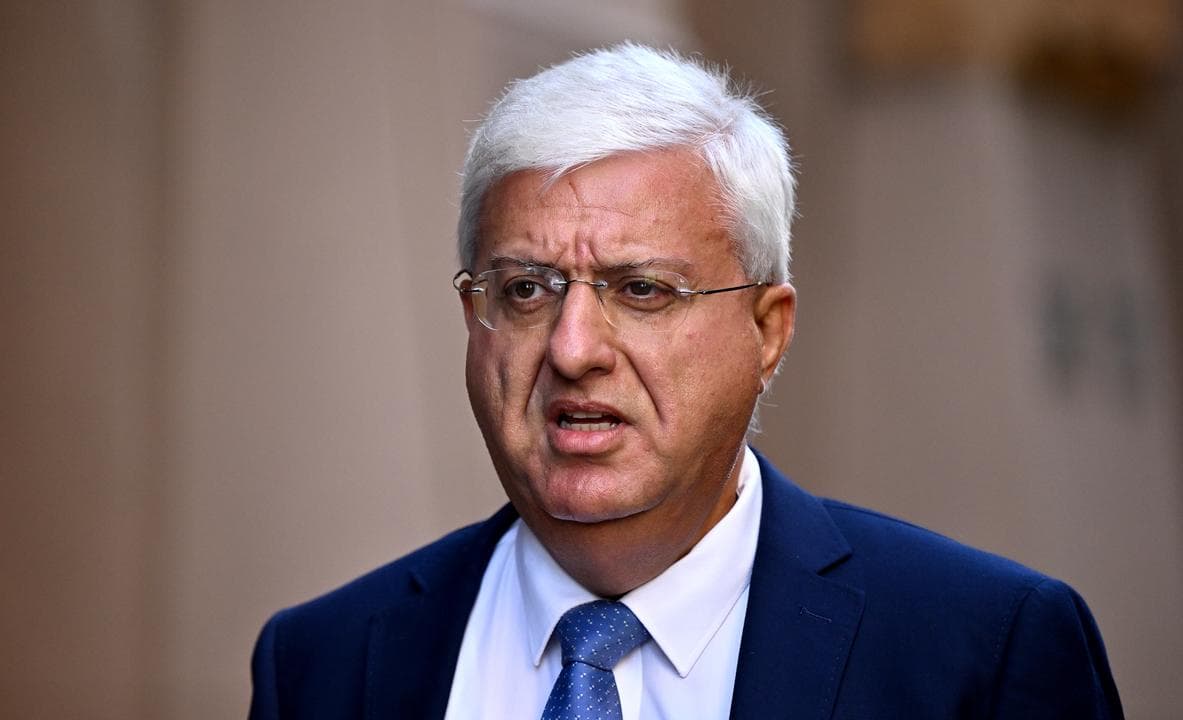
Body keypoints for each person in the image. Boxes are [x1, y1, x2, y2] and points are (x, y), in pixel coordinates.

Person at [248, 43, 1123, 720]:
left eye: (641, 291)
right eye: (525, 290)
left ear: (767, 332)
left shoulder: (982, 651)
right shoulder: (324, 664)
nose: (573, 349)